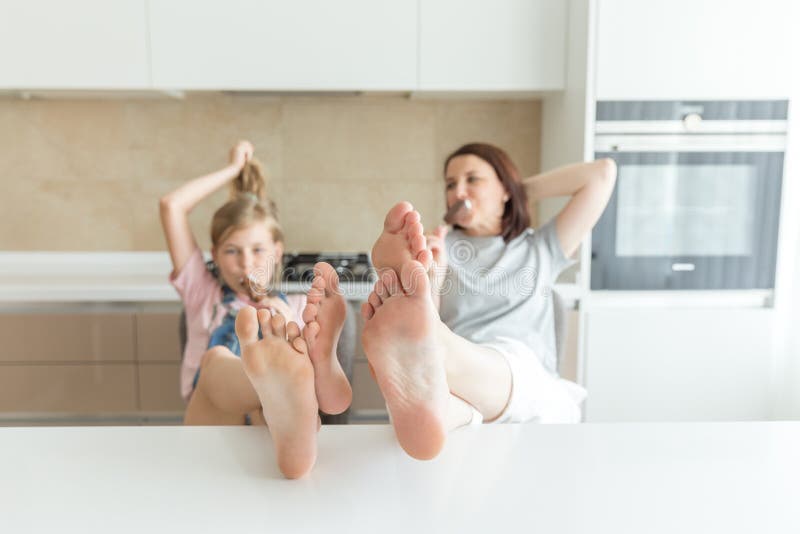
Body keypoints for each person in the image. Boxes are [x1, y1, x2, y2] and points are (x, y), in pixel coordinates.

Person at [360, 142, 617, 460]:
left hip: (524, 378)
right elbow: (419, 323)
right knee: (438, 387)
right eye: (451, 184)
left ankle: (437, 353)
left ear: (505, 189)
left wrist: (519, 190)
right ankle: (437, 366)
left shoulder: (542, 247)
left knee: (455, 368)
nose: (458, 191)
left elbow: (602, 174)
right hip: (462, 376)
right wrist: (434, 276)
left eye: (473, 179)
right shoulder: (438, 249)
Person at [159, 141, 351, 478]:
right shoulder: (202, 292)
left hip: (267, 430)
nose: (245, 263)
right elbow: (171, 206)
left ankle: (286, 400)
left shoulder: (297, 306)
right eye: (232, 251)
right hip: (214, 421)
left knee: (293, 343)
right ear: (215, 253)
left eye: (257, 250)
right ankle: (274, 382)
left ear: (277, 251)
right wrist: (232, 171)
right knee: (216, 360)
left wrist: (286, 320)